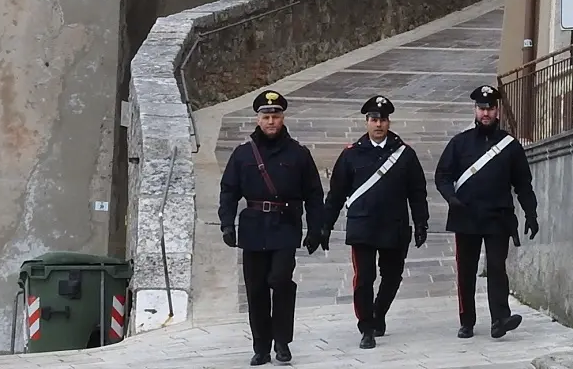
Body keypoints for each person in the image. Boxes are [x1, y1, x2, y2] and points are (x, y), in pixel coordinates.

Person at [218, 89, 329, 366]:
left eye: (276, 115)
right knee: (255, 289)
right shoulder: (243, 155)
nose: (271, 121)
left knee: (280, 281)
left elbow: (314, 194)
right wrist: (226, 223)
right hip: (253, 227)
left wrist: (316, 229)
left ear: (283, 118)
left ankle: (282, 341)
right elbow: (229, 190)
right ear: (258, 119)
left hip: (285, 226)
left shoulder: (299, 154)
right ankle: (261, 347)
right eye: (266, 116)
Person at [323, 95, 430, 350]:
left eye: (382, 120)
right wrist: (324, 226)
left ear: (388, 122)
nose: (378, 124)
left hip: (394, 225)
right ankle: (366, 327)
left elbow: (417, 192)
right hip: (363, 225)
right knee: (364, 278)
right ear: (366, 122)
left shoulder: (405, 154)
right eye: (373, 120)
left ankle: (378, 313)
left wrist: (421, 222)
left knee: (392, 276)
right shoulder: (351, 155)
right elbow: (336, 193)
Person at [434, 85, 539, 340]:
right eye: (482, 109)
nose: (486, 113)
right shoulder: (459, 143)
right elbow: (442, 176)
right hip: (466, 216)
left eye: (490, 108)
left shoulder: (510, 146)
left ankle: (500, 319)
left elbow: (523, 183)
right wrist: (452, 198)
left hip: (498, 217)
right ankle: (467, 321)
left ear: (497, 111)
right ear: (475, 110)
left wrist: (531, 213)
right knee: (466, 270)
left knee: (496, 267)